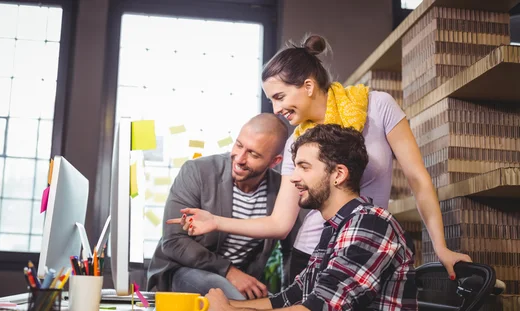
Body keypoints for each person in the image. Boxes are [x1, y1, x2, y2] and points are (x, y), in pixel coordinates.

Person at [168, 34, 470, 282]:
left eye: (279, 97)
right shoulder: (295, 144)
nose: (276, 110)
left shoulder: (379, 107)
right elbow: (279, 223)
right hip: (313, 254)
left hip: (368, 246)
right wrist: (215, 221)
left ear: (308, 86)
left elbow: (418, 180)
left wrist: (440, 248)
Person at [205, 124, 432, 311]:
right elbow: (288, 300)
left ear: (338, 174)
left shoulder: (370, 225)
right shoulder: (336, 230)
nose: (293, 178)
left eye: (304, 167)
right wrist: (214, 307)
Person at [146, 113, 304, 300]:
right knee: (233, 298)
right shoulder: (197, 171)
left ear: (275, 161)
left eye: (253, 154)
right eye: (239, 145)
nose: (239, 159)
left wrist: (292, 295)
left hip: (240, 282)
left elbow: (291, 250)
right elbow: (173, 242)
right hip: (183, 271)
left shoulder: (281, 190)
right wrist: (229, 271)